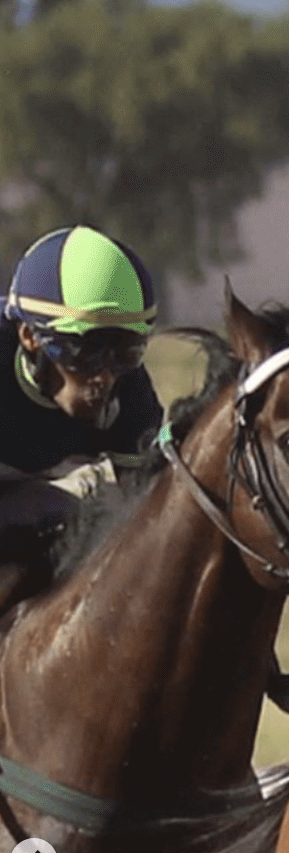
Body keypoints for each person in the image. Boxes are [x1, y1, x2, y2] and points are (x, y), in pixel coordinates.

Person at [0, 224, 162, 611]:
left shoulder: (131, 390)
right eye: (85, 352)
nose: (104, 377)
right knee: (50, 511)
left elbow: (151, 518)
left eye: (124, 352)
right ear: (30, 337)